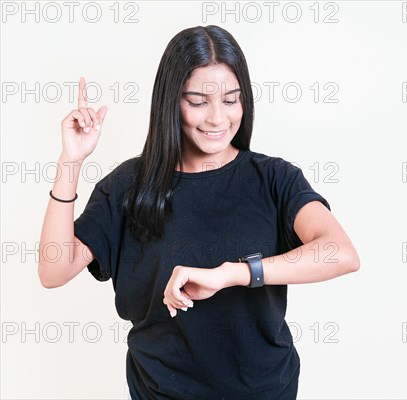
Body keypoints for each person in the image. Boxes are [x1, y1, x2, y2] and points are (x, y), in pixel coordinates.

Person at [38, 25, 360, 399]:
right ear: (171, 101)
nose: (217, 119)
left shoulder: (274, 178)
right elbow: (53, 270)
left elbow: (342, 253)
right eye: (198, 101)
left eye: (230, 99)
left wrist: (233, 274)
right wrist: (70, 162)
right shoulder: (127, 185)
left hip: (266, 390)